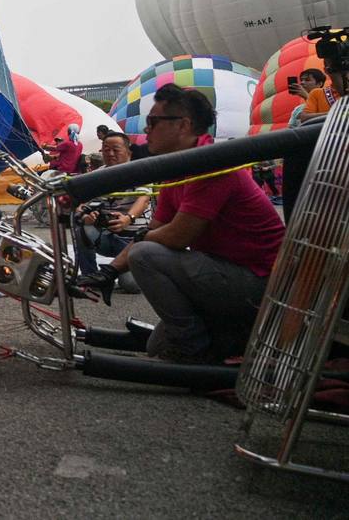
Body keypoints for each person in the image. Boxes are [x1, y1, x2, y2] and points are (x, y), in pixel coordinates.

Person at [76, 84, 285, 363]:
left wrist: (132, 250)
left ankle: (190, 348)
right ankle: (223, 335)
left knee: (145, 256)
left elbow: (176, 237)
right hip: (227, 271)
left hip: (261, 281)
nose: (146, 129)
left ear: (183, 125)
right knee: (155, 345)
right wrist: (108, 273)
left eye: (153, 121)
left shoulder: (210, 164)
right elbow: (155, 231)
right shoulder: (177, 168)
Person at [72, 131, 150, 275]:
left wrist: (128, 218)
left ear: (128, 152)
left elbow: (143, 199)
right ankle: (90, 276)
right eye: (106, 149)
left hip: (133, 241)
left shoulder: (141, 171)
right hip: (106, 236)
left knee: (131, 286)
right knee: (80, 227)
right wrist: (85, 216)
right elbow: (81, 203)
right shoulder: (97, 175)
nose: (110, 153)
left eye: (116, 149)